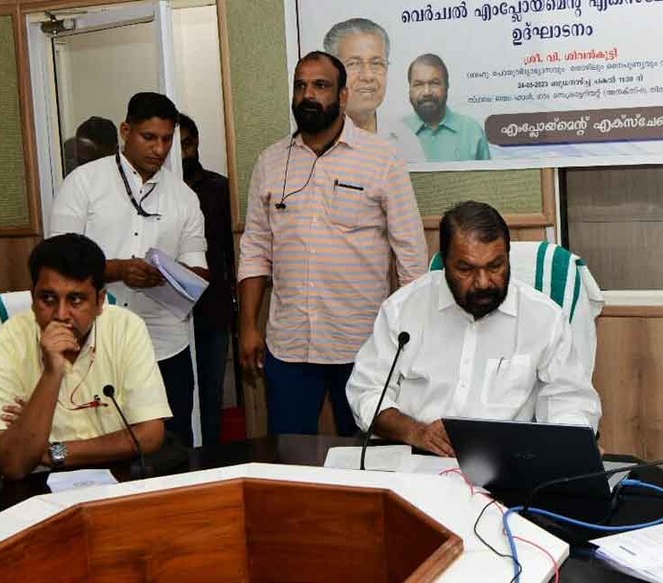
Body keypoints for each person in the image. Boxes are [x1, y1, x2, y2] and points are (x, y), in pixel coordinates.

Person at [238, 52, 427, 437]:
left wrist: (413, 334)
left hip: (363, 346)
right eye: (300, 85)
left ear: (342, 96)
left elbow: (410, 254)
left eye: (320, 86)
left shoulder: (382, 158)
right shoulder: (270, 162)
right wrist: (247, 327)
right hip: (289, 346)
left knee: (367, 462)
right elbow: (255, 248)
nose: (307, 95)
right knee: (288, 461)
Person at [345, 202, 601, 456]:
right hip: (412, 456)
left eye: (495, 266)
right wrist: (417, 433)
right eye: (466, 269)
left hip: (506, 465)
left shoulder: (544, 318)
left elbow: (570, 401)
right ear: (445, 262)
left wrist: (572, 448)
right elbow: (366, 391)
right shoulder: (403, 308)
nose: (483, 283)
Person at [49, 92, 208, 447]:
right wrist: (119, 269)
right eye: (148, 137)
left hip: (166, 345)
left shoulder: (184, 197)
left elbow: (200, 270)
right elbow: (56, 262)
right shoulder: (84, 182)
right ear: (125, 131)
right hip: (95, 343)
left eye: (166, 139)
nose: (159, 148)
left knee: (173, 446)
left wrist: (168, 273)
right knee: (102, 443)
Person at [0, 235, 172, 480]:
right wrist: (51, 373)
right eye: (48, 299)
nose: (61, 314)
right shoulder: (3, 345)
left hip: (117, 476)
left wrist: (54, 451)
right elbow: (14, 465)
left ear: (99, 301)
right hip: (38, 484)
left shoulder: (126, 328)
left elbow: (150, 435)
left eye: (76, 299)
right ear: (33, 297)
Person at [178, 113, 234, 445]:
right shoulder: (157, 193)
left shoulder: (218, 188)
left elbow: (232, 250)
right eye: (176, 145)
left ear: (196, 143)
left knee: (211, 391)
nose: (182, 152)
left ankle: (211, 457)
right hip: (167, 311)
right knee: (176, 390)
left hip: (211, 309)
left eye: (187, 143)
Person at [322, 18, 423, 160]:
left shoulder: (405, 140)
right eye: (353, 64)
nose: (368, 76)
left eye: (377, 63)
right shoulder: (312, 143)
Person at [403, 54, 490, 162]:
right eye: (418, 85)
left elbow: (488, 178)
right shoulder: (396, 133)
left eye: (434, 83)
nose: (427, 92)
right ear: (409, 89)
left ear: (446, 86)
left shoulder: (472, 131)